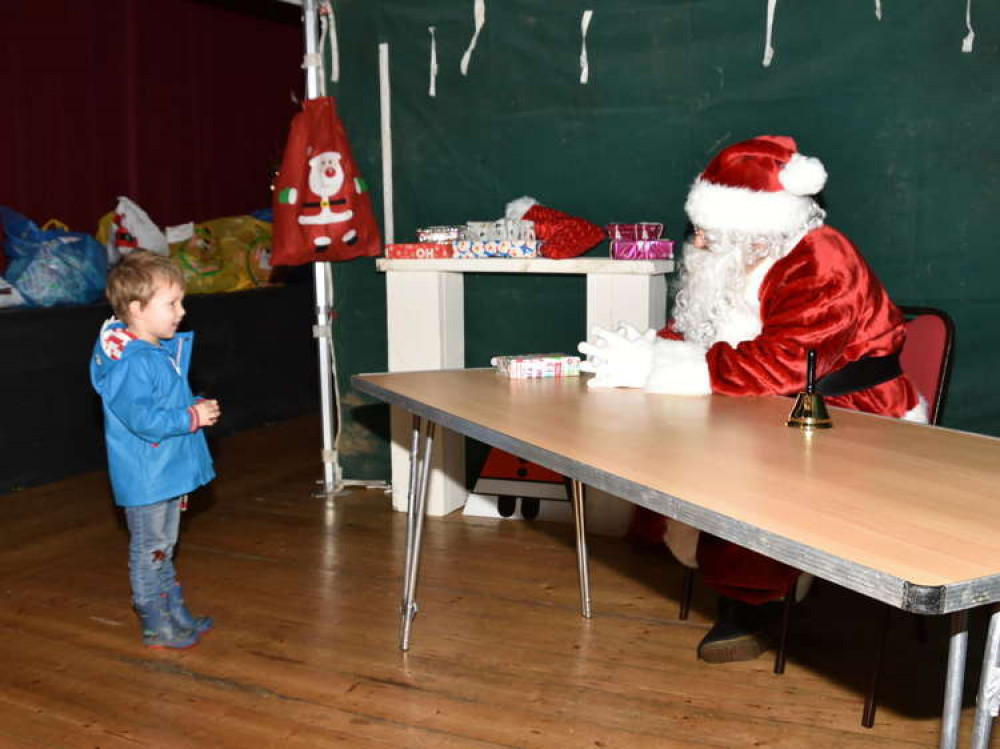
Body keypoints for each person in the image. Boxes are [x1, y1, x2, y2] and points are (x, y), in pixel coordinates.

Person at [578, 135, 924, 664]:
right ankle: (742, 573)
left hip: (848, 414)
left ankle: (752, 600)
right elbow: (692, 331)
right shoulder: (729, 259)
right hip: (761, 400)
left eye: (708, 232)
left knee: (750, 467)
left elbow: (787, 363)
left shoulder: (822, 259)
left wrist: (663, 367)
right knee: (670, 434)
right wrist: (645, 349)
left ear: (757, 229)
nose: (696, 242)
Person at [90, 250, 220, 649]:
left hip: (165, 469)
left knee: (163, 546)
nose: (181, 311)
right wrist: (191, 418)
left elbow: (159, 404)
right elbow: (143, 420)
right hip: (147, 475)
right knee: (150, 548)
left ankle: (172, 609)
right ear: (136, 309)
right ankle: (152, 620)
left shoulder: (155, 350)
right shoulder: (132, 361)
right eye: (172, 303)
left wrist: (190, 406)